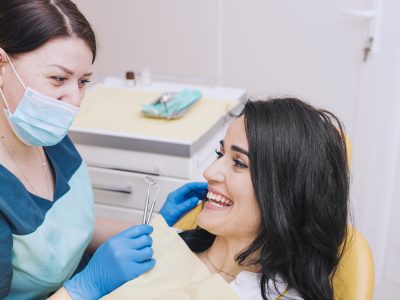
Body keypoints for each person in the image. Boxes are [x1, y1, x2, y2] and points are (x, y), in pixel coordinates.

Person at [0, 1, 206, 299]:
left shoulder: (49, 137)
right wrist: (86, 286)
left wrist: (154, 226)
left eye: (83, 81)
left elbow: (65, 231)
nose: (74, 100)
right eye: (58, 78)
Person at [179, 98, 349, 300]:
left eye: (239, 163)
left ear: (285, 196)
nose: (209, 172)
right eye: (220, 154)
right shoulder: (166, 244)